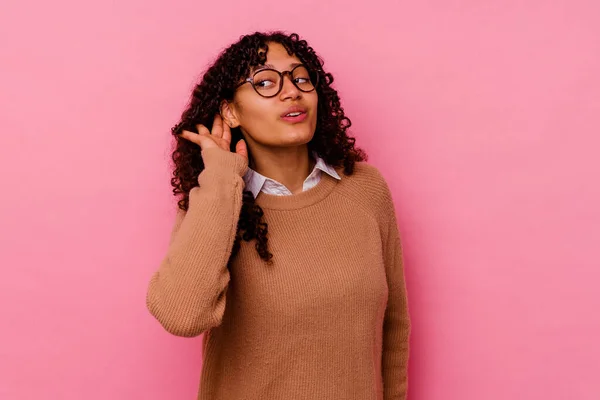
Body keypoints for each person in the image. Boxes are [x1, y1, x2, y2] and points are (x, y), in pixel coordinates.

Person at [146, 31, 411, 400]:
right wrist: (223, 178)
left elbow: (394, 328)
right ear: (230, 111)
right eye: (266, 82)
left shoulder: (366, 189)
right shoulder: (216, 204)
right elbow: (182, 316)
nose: (292, 92)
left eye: (301, 78)